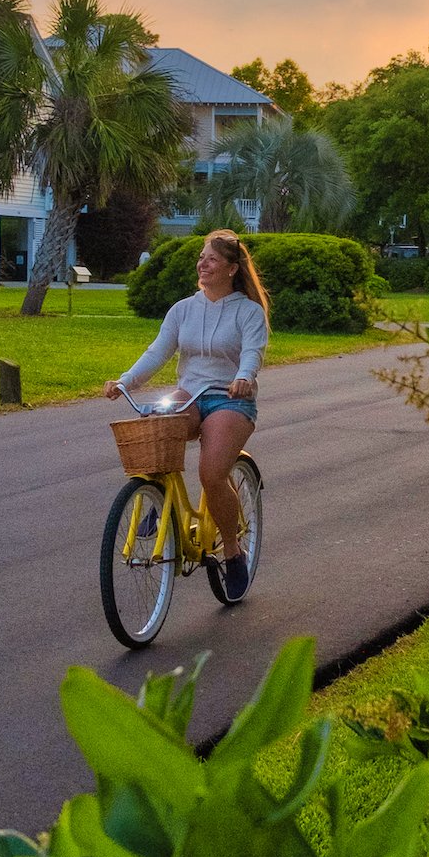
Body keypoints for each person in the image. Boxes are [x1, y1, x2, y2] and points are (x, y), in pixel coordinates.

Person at [104, 229, 269, 599]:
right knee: (158, 429)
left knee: (211, 474)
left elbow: (252, 353)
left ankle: (232, 551)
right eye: (201, 257)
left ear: (231, 268)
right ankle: (162, 499)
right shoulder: (183, 309)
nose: (202, 264)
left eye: (211, 258)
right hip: (191, 394)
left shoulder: (248, 311)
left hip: (230, 398)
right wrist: (126, 381)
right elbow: (158, 352)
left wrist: (244, 377)